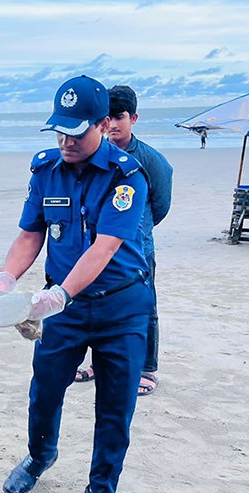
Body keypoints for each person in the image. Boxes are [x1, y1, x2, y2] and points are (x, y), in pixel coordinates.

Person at [0, 75, 152, 493]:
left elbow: (104, 247)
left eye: (76, 130)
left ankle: (101, 487)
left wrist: (61, 294)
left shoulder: (127, 177)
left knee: (115, 404)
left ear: (104, 124)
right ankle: (39, 456)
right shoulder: (46, 171)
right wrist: (7, 277)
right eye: (59, 130)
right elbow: (31, 233)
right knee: (45, 389)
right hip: (63, 310)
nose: (65, 140)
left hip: (121, 307)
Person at [74, 85, 173, 397]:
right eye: (107, 117)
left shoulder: (150, 160)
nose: (113, 124)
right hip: (97, 251)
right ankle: (99, 363)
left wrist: (136, 231)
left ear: (134, 118)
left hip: (137, 253)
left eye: (120, 116)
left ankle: (147, 368)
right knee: (98, 306)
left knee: (145, 309)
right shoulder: (93, 156)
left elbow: (161, 204)